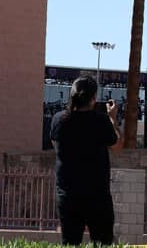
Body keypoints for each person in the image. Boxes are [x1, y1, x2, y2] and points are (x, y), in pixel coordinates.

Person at [49, 75, 123, 245]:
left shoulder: (58, 120)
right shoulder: (101, 121)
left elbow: (56, 146)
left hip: (68, 196)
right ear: (93, 98)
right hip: (97, 196)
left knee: (70, 243)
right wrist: (113, 119)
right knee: (102, 243)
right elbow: (118, 147)